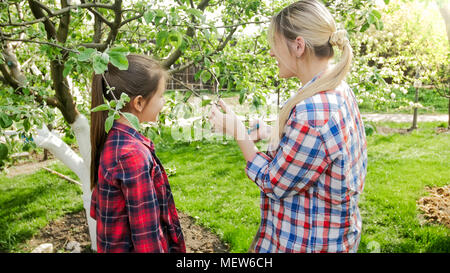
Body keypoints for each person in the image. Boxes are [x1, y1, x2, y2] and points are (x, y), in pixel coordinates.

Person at [209, 0, 367, 253]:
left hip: (306, 243)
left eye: (275, 44)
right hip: (332, 236)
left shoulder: (313, 112)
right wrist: (272, 133)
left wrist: (238, 132)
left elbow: (274, 183)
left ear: (298, 45)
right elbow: (321, 151)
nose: (271, 53)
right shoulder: (336, 88)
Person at [89, 54, 186, 253]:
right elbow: (147, 238)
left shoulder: (114, 139)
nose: (163, 102)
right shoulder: (131, 156)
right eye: (160, 96)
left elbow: (97, 210)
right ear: (139, 103)